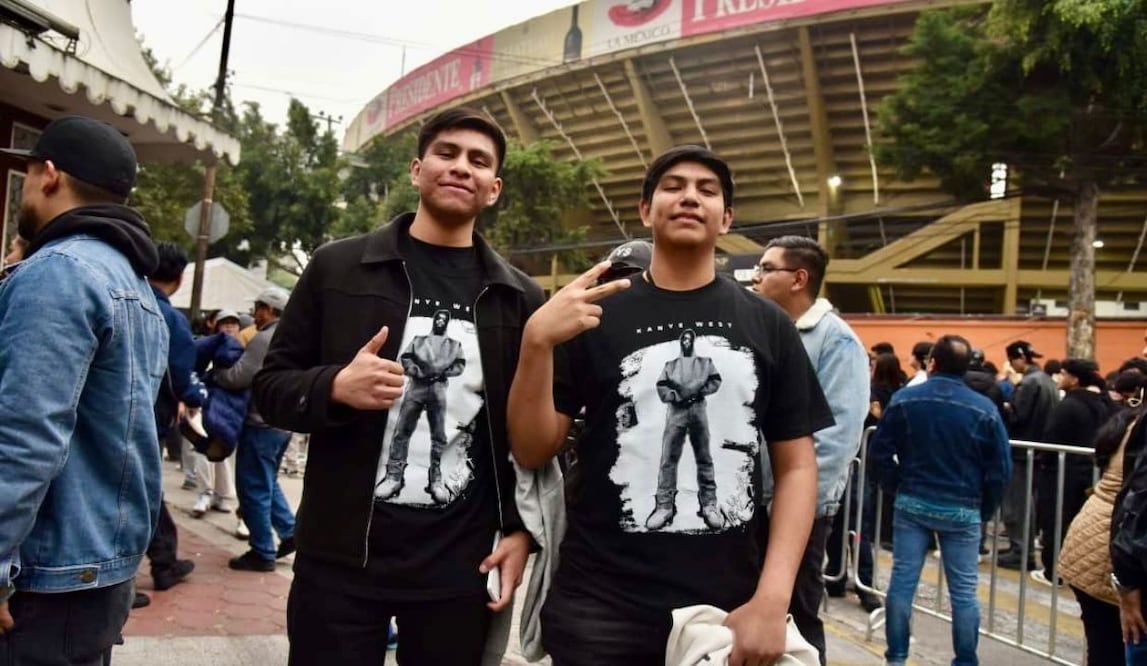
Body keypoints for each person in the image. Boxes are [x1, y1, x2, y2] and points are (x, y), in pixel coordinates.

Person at [507, 145, 831, 665]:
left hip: (725, 605)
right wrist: (535, 343)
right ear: (645, 210)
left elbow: (796, 467)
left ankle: (703, 504)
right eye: (673, 186)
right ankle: (660, 506)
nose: (689, 197)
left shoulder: (767, 324)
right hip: (600, 602)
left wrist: (772, 599)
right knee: (664, 465)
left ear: (726, 217)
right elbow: (532, 447)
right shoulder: (594, 313)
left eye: (707, 190)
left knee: (703, 464)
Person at [251, 107, 543, 665]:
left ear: (494, 189)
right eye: (447, 153)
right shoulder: (339, 267)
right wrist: (335, 385)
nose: (461, 167)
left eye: (478, 161)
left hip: (458, 567)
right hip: (339, 558)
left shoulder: (520, 299)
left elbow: (519, 435)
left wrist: (518, 530)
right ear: (416, 169)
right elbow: (270, 389)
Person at [0, 116, 168, 663]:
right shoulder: (133, 282)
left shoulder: (59, 272)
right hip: (95, 565)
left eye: (25, 174)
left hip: (47, 574)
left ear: (48, 175)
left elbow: (26, 433)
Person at [751, 234, 872, 658]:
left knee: (796, 617)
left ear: (799, 278)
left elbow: (836, 438)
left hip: (794, 508)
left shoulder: (836, 341)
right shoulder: (769, 328)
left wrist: (791, 503)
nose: (756, 277)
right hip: (750, 503)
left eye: (767, 269)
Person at [871, 335, 1012, 666]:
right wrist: (985, 508)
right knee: (963, 593)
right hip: (963, 508)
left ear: (931, 363)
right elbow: (1000, 470)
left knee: (902, 584)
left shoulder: (905, 400)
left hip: (912, 501)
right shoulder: (985, 409)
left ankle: (897, 657)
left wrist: (895, 487)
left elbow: (880, 451)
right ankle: (965, 659)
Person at [139, 241, 209, 609]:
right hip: (148, 418)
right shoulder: (169, 318)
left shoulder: (124, 298)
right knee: (139, 493)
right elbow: (183, 374)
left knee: (137, 491)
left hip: (106, 415)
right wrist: (196, 399)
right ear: (181, 278)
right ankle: (157, 566)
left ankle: (163, 560)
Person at [1059, 374, 1145, 666]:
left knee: (1102, 647)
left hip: (1092, 542)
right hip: (1115, 554)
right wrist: (1129, 587)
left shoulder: (1132, 420)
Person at [215, 287, 297, 573]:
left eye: (259, 308)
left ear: (271, 311)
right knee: (268, 482)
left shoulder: (264, 338)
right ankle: (289, 531)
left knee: (253, 488)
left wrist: (216, 373)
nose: (254, 313)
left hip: (260, 423)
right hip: (283, 424)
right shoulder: (296, 334)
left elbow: (238, 378)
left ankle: (261, 550)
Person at [1035, 359, 1113, 586]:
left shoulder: (1068, 406)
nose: (1059, 378)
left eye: (1063, 374)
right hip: (1089, 471)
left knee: (1055, 520)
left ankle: (1053, 570)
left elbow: (1051, 437)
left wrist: (1045, 463)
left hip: (1062, 472)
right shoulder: (1101, 403)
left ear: (1074, 379)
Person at [999, 340, 1060, 570]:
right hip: (1039, 450)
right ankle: (1022, 549)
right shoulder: (1046, 381)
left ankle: (1020, 551)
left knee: (1018, 503)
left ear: (1018, 358)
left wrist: (1006, 406)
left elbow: (1017, 416)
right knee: (1028, 502)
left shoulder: (1029, 382)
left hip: (1022, 450)